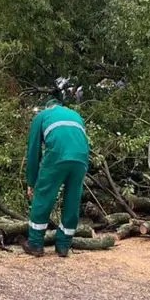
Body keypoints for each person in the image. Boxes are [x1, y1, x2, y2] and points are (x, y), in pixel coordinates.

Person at [23, 98, 90, 257]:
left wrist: (32, 182)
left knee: (44, 195)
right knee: (73, 199)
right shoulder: (75, 115)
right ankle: (63, 246)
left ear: (47, 107)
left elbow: (34, 151)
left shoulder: (42, 116)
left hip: (58, 155)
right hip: (81, 158)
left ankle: (35, 244)